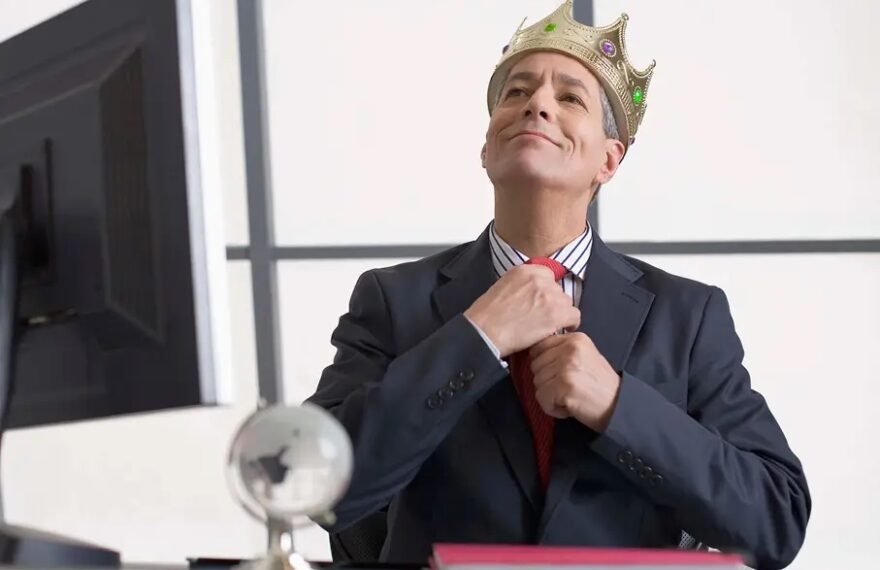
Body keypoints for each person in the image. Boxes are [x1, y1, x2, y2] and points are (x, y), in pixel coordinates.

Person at [306, 2, 810, 568]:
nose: (537, 104)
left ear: (609, 161)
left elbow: (776, 519)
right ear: (487, 146)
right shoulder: (392, 299)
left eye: (570, 98)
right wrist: (477, 338)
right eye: (517, 92)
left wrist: (617, 405)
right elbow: (318, 486)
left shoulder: (688, 315)